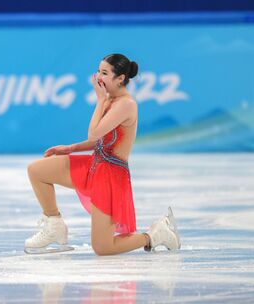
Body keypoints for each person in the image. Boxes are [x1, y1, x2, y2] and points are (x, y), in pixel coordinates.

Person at [25, 54, 181, 255]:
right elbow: (99, 139)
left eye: (105, 73)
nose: (98, 77)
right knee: (37, 171)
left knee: (103, 247)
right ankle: (54, 224)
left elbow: (94, 132)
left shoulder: (126, 104)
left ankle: (155, 235)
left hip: (110, 176)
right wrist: (70, 149)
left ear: (120, 78)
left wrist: (100, 101)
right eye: (98, 71)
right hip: (94, 164)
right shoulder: (110, 99)